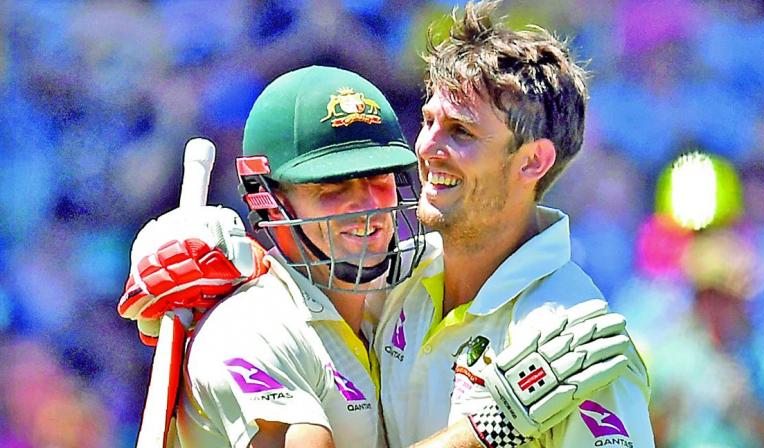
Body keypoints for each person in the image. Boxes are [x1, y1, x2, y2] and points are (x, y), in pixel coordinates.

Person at [119, 64, 631, 447]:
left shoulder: (388, 298)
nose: (368, 208)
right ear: (269, 200)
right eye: (332, 187)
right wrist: (486, 429)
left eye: (379, 179)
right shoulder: (251, 329)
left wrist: (222, 249)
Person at [373, 1, 653, 447]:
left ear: (533, 161)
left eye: (461, 132)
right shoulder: (395, 280)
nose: (427, 147)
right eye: (428, 122)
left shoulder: (573, 339)